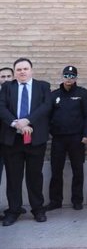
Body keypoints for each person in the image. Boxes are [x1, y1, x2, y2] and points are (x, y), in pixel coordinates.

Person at [0, 58, 52, 226]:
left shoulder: (43, 86)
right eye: (19, 69)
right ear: (15, 72)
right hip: (12, 140)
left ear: (31, 70)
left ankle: (37, 209)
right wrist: (16, 123)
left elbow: (46, 106)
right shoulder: (8, 87)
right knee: (13, 178)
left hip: (35, 140)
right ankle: (13, 210)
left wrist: (27, 121)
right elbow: (1, 107)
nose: (22, 72)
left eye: (25, 68)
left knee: (35, 176)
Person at [47, 65, 87, 212]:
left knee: (78, 170)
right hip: (58, 139)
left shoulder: (83, 94)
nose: (69, 79)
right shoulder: (54, 95)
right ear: (62, 77)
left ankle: (77, 200)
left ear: (76, 78)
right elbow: (47, 116)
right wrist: (50, 131)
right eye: (66, 76)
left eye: (72, 76)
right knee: (56, 171)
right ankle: (55, 201)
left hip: (77, 138)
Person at [0, 66, 12, 218]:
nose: (6, 79)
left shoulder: (16, 94)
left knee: (13, 176)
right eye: (3, 77)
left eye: (8, 76)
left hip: (10, 143)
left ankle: (13, 206)